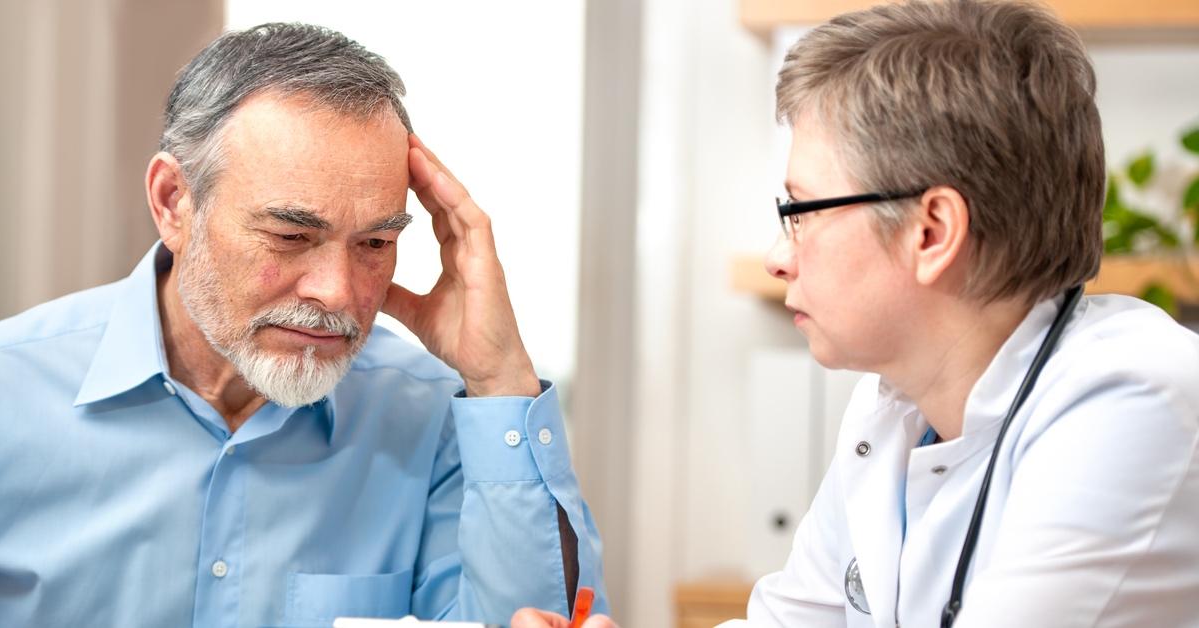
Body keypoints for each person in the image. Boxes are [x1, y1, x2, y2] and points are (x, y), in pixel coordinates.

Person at [514, 0, 1199, 627]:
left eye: (799, 212)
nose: (780, 258)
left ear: (931, 232)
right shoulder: (894, 407)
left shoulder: (1132, 396)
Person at [0, 23, 606, 627]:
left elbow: (532, 617)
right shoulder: (13, 393)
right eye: (291, 237)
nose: (338, 292)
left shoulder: (435, 417)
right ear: (172, 202)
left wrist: (499, 378)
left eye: (374, 242)